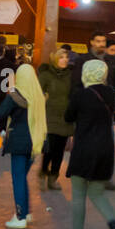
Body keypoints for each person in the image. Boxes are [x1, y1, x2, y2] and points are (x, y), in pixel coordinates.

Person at [61, 58, 115, 229]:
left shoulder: (80, 95)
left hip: (84, 148)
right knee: (97, 193)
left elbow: (68, 117)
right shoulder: (112, 93)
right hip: (105, 148)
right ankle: (114, 224)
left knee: (79, 194)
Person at [0, 61, 47, 228]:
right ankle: (25, 213)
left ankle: (20, 217)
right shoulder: (39, 95)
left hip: (19, 142)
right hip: (36, 141)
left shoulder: (15, 96)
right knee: (23, 178)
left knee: (18, 179)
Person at [37, 48, 73, 190]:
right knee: (49, 149)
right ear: (55, 59)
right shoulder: (46, 75)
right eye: (61, 57)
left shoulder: (70, 75)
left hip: (65, 117)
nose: (65, 60)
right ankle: (43, 172)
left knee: (59, 150)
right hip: (50, 115)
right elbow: (38, 92)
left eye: (66, 57)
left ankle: (53, 178)